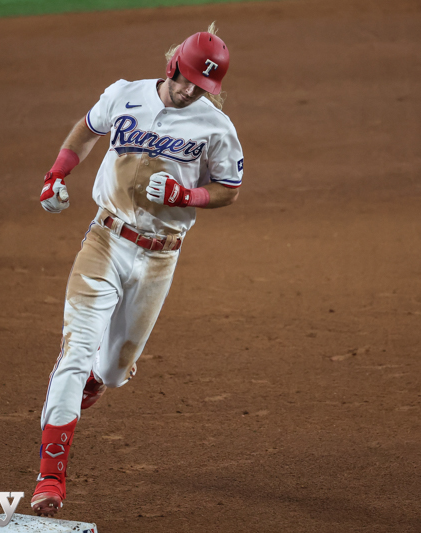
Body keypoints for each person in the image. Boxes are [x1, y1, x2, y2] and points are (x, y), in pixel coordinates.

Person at [31, 22, 244, 517]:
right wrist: (57, 173)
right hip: (105, 241)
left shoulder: (216, 127)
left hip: (160, 258)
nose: (191, 92)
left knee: (111, 371)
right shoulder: (124, 94)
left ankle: (96, 377)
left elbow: (228, 190)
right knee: (75, 352)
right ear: (172, 65)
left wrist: (187, 196)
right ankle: (50, 477)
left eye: (202, 87)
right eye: (187, 80)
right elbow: (87, 129)